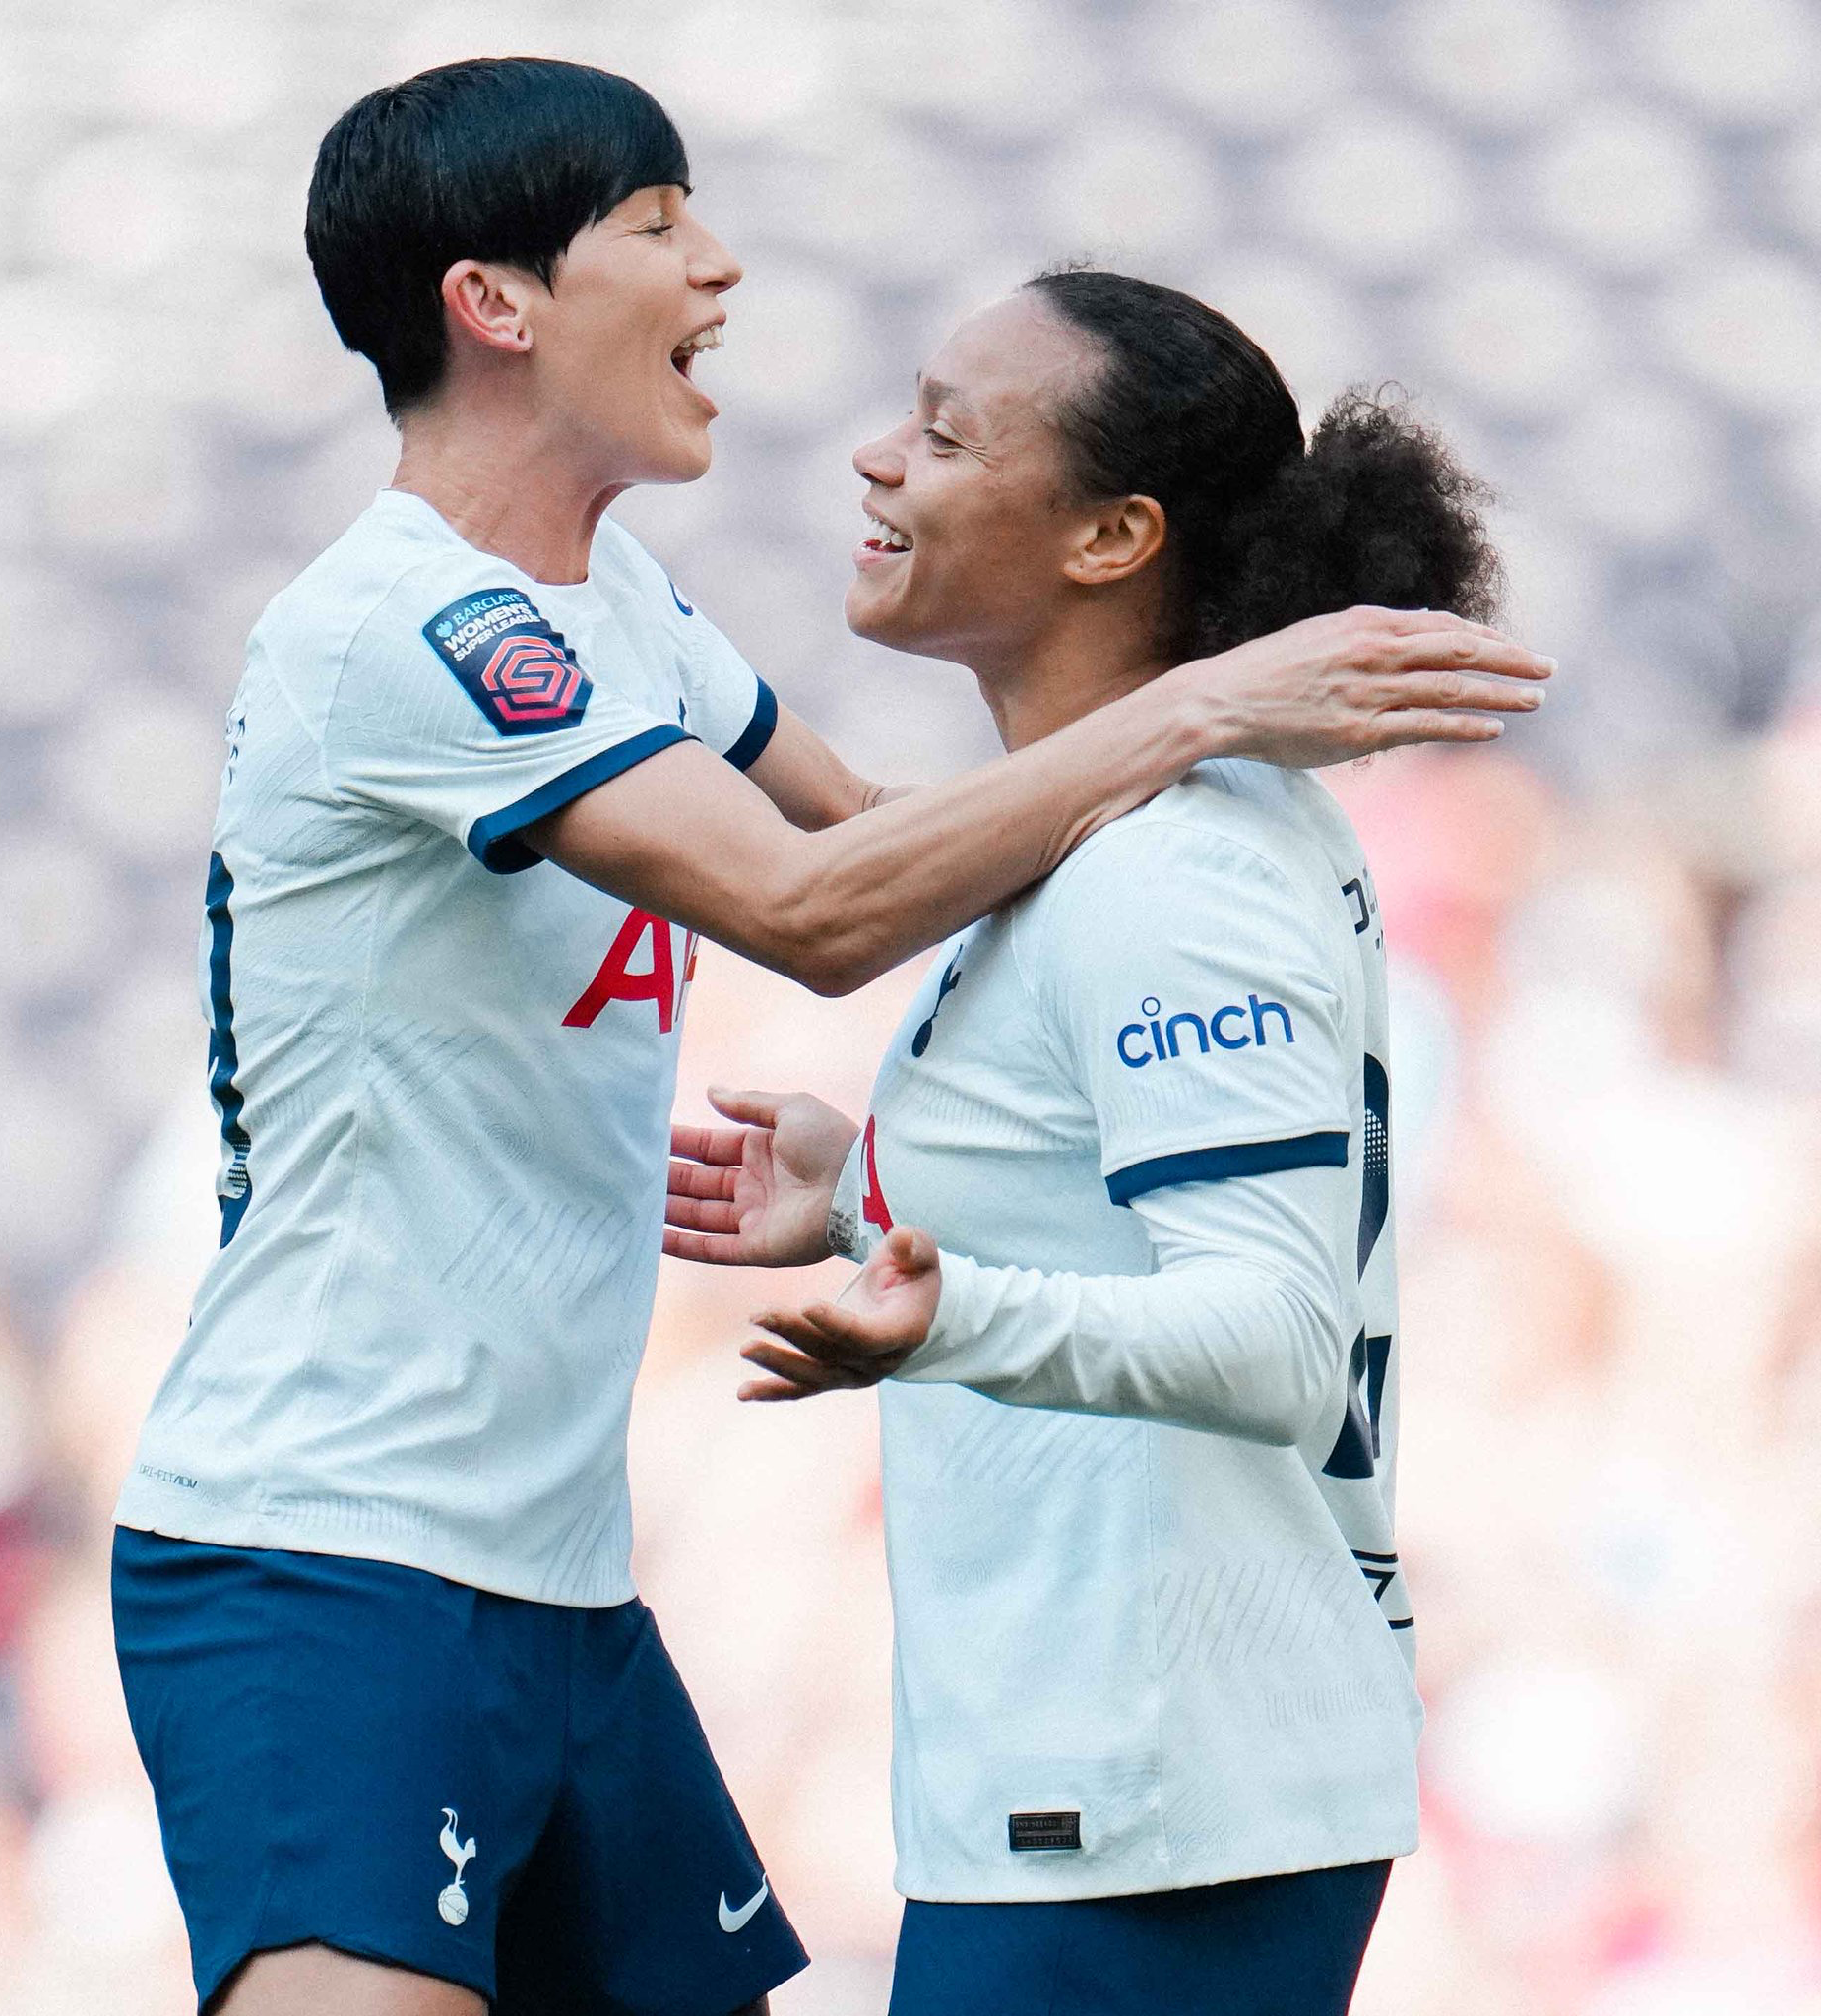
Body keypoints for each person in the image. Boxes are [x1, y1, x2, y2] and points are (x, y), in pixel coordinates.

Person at [110, 55, 1549, 2016]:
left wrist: (888, 1174)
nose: (719, 265)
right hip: (329, 1548)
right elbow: (812, 911)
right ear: (495, 302)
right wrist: (1204, 706)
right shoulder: (409, 632)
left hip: (555, 1569)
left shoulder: (622, 606)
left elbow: (894, 844)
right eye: (655, 223)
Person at [666, 270, 1507, 2015]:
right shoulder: (1122, 834)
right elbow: (1122, 1211)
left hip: (1155, 1806)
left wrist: (949, 1314)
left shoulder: (1171, 870)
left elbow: (1272, 1338)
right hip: (1120, 1792)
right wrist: (869, 1204)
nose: (877, 459)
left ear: (1113, 536)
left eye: (946, 433)